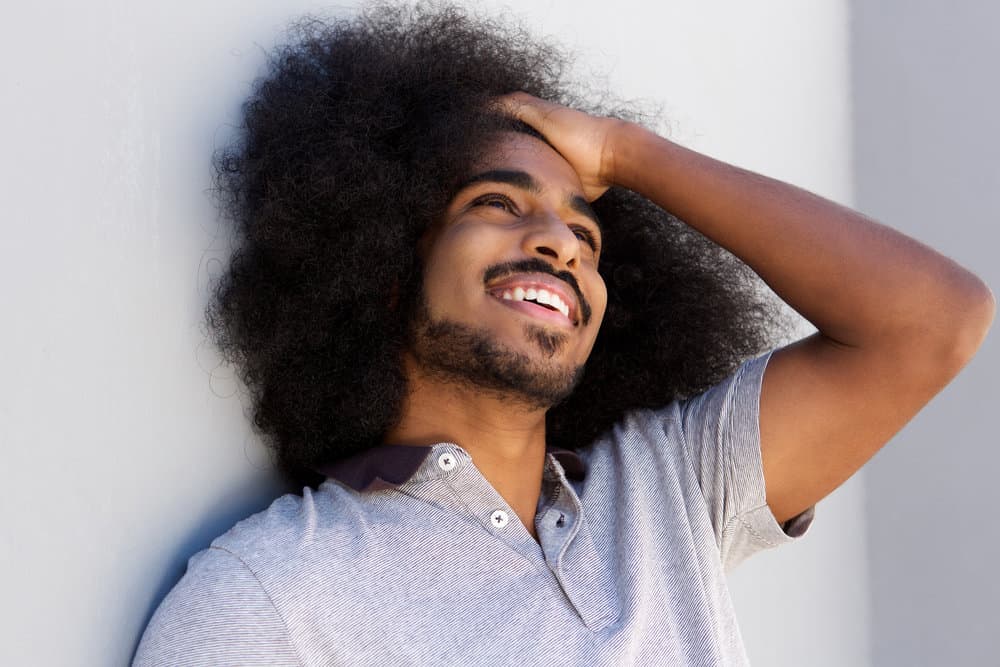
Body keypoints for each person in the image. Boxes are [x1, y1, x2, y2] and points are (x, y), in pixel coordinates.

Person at [134, 3, 994, 665]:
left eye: (588, 237)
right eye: (497, 204)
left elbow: (933, 321)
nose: (557, 243)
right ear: (386, 262)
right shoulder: (268, 594)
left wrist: (628, 155)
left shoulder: (674, 490)